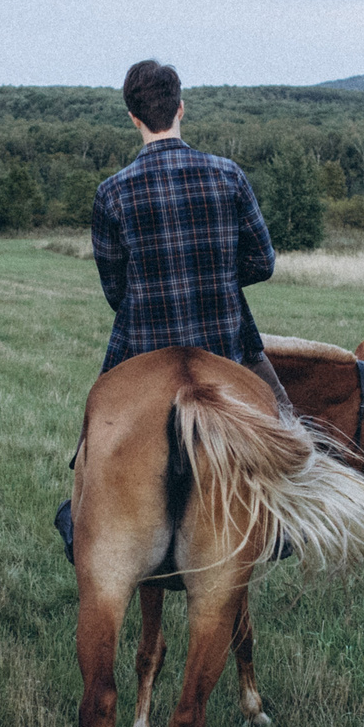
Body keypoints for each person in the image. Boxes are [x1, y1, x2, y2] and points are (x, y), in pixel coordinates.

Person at [57, 59, 293, 555]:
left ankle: (77, 513)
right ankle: (283, 521)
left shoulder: (111, 193)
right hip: (227, 344)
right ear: (181, 108)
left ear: (133, 117)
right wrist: (220, 279)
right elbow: (263, 262)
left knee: (91, 442)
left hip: (143, 351)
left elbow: (116, 291)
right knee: (286, 421)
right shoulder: (229, 175)